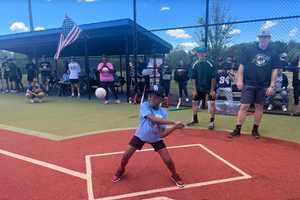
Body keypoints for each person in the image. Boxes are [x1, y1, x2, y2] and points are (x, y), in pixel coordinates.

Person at [112, 85, 185, 187]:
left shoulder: (163, 113)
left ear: (161, 99)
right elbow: (153, 119)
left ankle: (174, 174)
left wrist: (174, 127)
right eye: (150, 96)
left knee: (168, 160)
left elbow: (162, 134)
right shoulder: (144, 105)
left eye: (155, 97)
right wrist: (173, 122)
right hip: (140, 136)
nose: (151, 98)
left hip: (156, 138)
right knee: (125, 156)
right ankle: (121, 168)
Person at [229, 30, 279, 139]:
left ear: (269, 38)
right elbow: (241, 67)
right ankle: (238, 128)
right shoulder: (249, 51)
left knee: (259, 107)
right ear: (258, 38)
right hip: (249, 83)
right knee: (244, 106)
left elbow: (274, 70)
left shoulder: (273, 53)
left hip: (263, 85)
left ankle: (255, 129)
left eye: (266, 37)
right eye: (262, 37)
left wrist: (272, 85)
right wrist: (239, 80)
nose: (264, 39)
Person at [187, 47, 217, 130]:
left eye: (203, 52)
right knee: (194, 102)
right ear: (197, 54)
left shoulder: (211, 63)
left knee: (212, 103)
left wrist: (212, 90)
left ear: (206, 54)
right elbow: (193, 78)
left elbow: (213, 78)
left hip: (209, 87)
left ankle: (212, 121)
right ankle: (195, 119)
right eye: (199, 53)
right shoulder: (194, 64)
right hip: (199, 87)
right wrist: (194, 90)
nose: (201, 54)